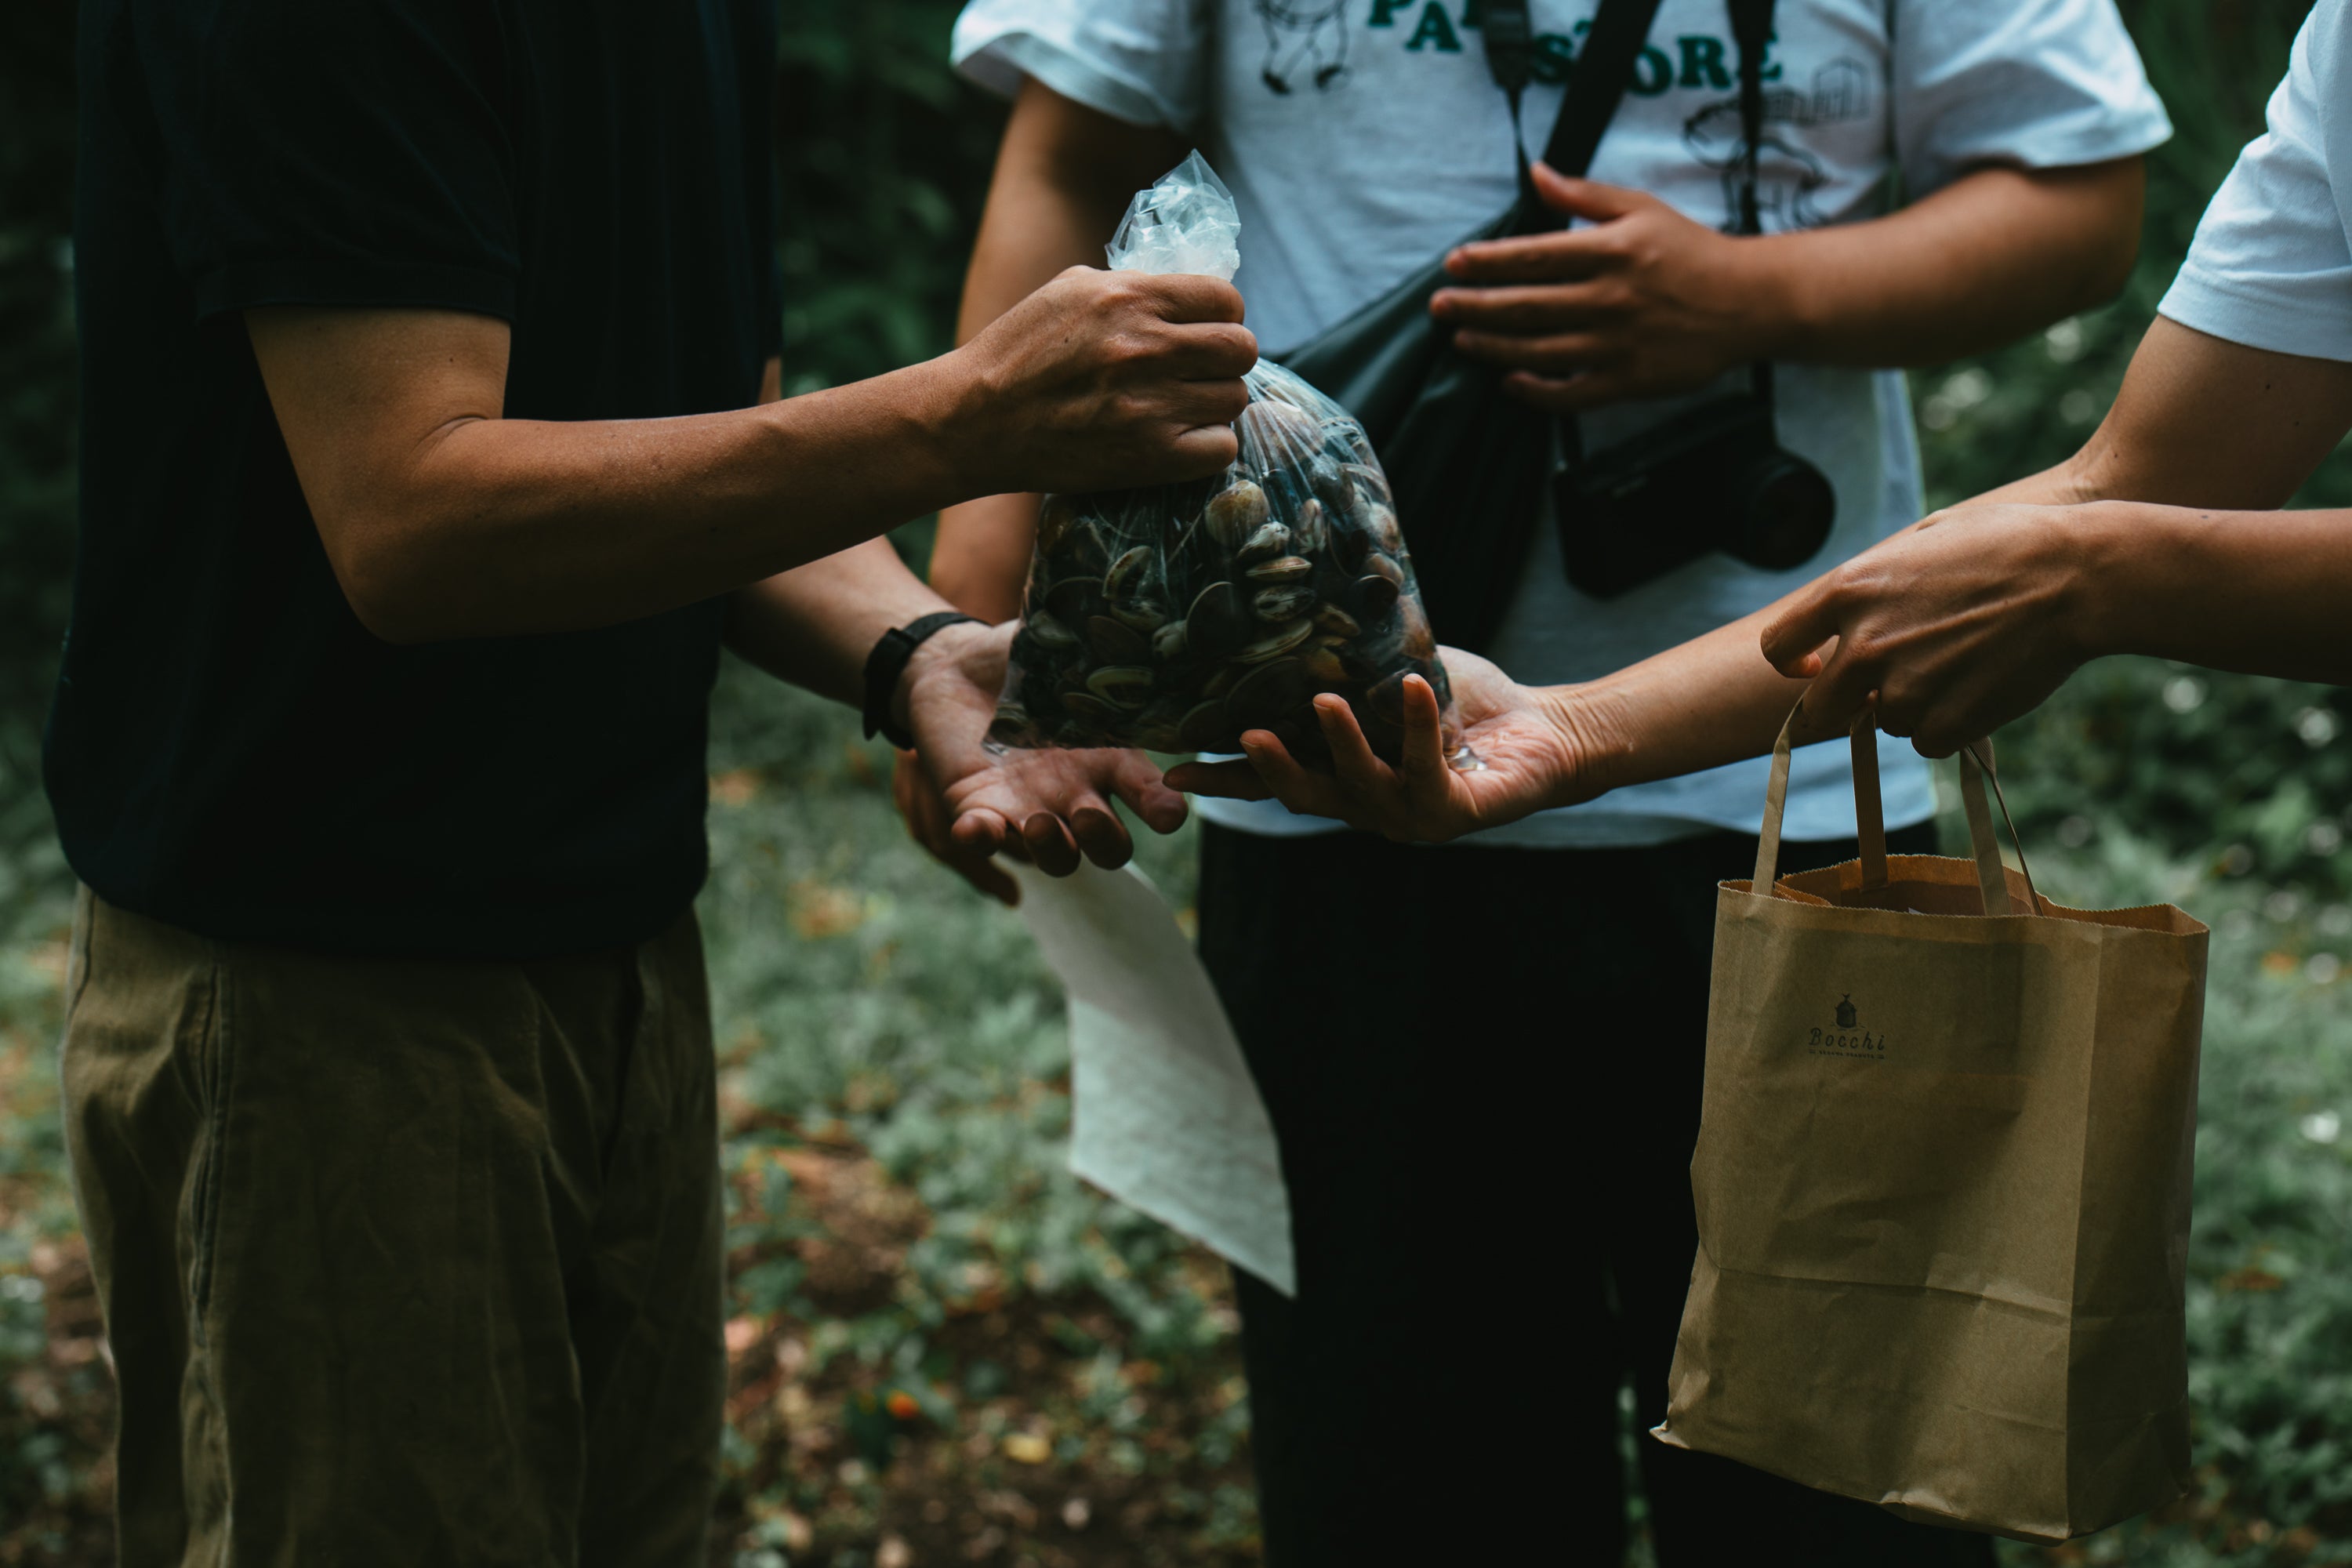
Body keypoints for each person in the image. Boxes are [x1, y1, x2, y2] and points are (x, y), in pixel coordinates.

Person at [909, 2, 2169, 1561]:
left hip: (1806, 806)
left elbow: (2077, 201)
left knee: (1846, 1486)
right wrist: (973, 628)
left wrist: (1744, 296)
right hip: (1326, 798)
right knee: (1406, 1469)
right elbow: (1067, 162)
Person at [53, 1, 1254, 1561]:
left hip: (619, 957)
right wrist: (970, 415)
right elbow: (411, 516)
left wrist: (922, 653)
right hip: (319, 995)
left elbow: (721, 454)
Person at [1196, 0, 2352, 840]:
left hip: (1775, 819)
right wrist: (1578, 731)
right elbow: (2141, 481)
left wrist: (2104, 573)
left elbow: (2110, 522)